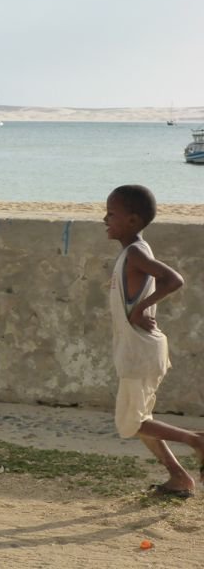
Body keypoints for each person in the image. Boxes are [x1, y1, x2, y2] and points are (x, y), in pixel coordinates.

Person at [104, 184, 204, 498]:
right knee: (142, 420)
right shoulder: (133, 251)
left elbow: (174, 279)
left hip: (140, 353)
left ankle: (197, 440)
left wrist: (140, 309)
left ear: (133, 220)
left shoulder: (136, 251)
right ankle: (179, 478)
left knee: (131, 424)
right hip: (140, 350)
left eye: (111, 214)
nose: (105, 219)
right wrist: (137, 308)